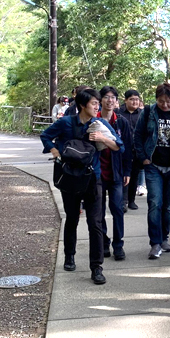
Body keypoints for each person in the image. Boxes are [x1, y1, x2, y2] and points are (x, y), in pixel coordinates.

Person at [40, 88, 123, 285]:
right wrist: (55, 151)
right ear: (82, 106)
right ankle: (69, 256)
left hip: (93, 179)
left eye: (98, 103)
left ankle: (97, 267)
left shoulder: (100, 124)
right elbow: (45, 136)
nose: (98, 106)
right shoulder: (66, 123)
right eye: (94, 103)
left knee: (95, 222)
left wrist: (102, 138)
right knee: (72, 218)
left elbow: (119, 145)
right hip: (69, 178)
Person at [133, 83, 170, 259]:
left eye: (168, 101)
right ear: (156, 99)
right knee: (154, 203)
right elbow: (138, 136)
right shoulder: (148, 112)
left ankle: (164, 237)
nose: (164, 105)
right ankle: (155, 242)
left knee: (167, 206)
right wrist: (144, 158)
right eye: (161, 101)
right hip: (153, 165)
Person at [96, 86, 132, 261]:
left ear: (117, 101)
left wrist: (127, 171)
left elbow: (128, 149)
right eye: (106, 97)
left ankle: (119, 245)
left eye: (113, 97)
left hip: (117, 173)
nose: (110, 100)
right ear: (100, 100)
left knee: (117, 209)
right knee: (99, 211)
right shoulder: (93, 121)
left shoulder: (121, 122)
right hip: (97, 174)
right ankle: (103, 242)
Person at [121, 90, 146, 210]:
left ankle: (131, 200)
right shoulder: (119, 113)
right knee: (123, 175)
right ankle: (123, 201)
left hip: (137, 150)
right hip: (122, 150)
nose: (134, 101)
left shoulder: (143, 114)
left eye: (136, 99)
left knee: (134, 176)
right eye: (131, 99)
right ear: (125, 100)